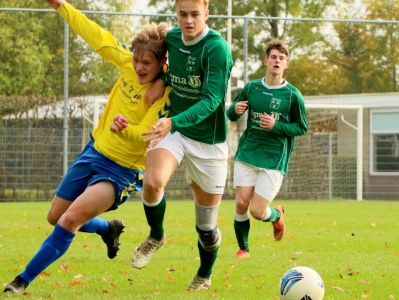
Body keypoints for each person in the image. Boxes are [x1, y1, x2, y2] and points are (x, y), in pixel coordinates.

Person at [3, 0, 170, 294]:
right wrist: (62, 6)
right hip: (93, 152)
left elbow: (148, 133)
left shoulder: (164, 93)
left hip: (121, 170)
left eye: (148, 63)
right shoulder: (126, 64)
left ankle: (21, 281)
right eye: (137, 59)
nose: (140, 67)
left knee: (68, 220)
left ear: (162, 63)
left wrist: (127, 128)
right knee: (55, 216)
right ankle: (108, 229)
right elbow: (97, 37)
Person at [130, 0, 232, 291]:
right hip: (175, 131)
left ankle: (204, 275)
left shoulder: (217, 49)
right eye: (182, 14)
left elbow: (212, 101)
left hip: (208, 141)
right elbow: (154, 63)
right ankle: (156, 235)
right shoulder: (172, 38)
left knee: (207, 228)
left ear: (206, 14)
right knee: (152, 182)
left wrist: (174, 122)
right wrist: (161, 80)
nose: (188, 21)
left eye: (194, 14)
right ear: (176, 14)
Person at [226, 39, 308, 259]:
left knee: (257, 211)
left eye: (281, 58)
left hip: (273, 159)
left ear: (286, 65)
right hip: (248, 152)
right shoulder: (252, 88)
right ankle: (244, 248)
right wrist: (235, 109)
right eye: (273, 57)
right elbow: (231, 114)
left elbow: (301, 127)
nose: (277, 61)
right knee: (242, 203)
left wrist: (276, 126)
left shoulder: (292, 95)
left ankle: (276, 215)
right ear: (266, 60)